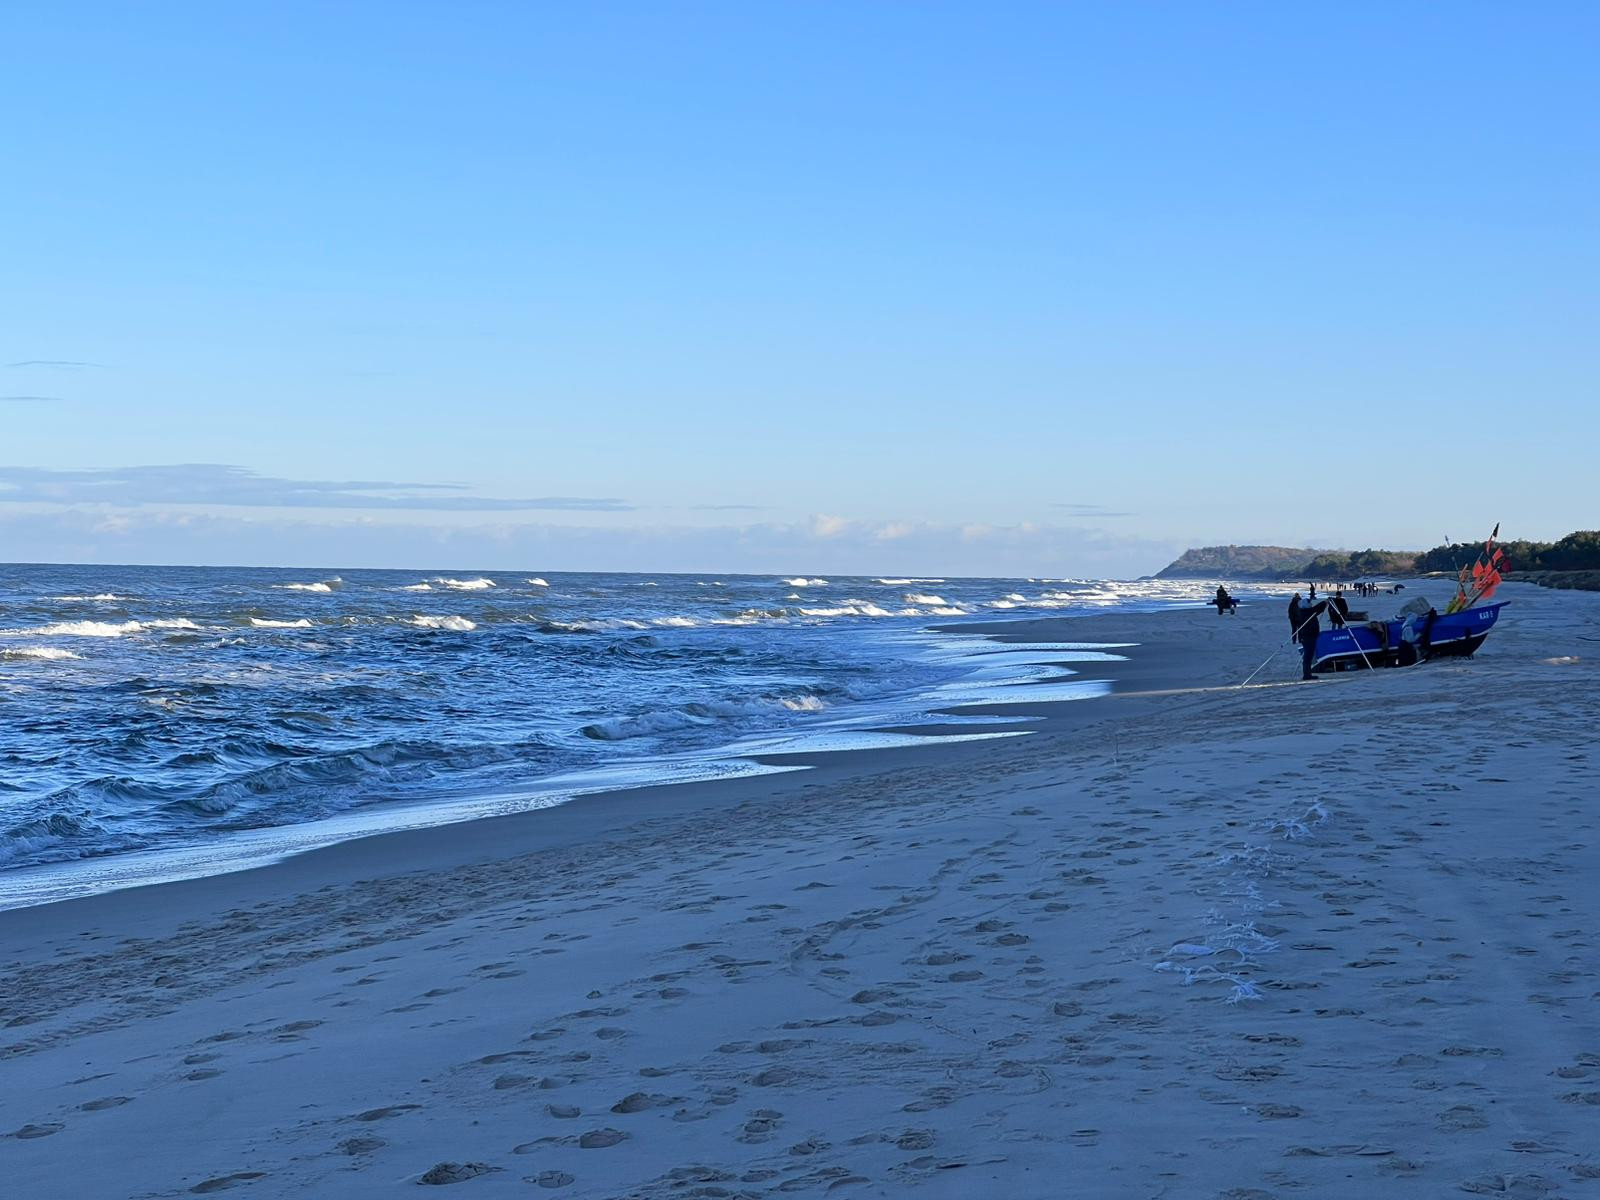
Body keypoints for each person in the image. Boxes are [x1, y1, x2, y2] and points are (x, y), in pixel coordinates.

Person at [1288, 592, 1329, 681]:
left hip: (1310, 636)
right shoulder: (1305, 612)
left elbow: (1317, 610)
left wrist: (1325, 604)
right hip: (1307, 637)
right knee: (1308, 655)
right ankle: (1307, 675)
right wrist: (1324, 602)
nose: (1311, 604)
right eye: (1309, 603)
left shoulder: (1307, 612)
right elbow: (1316, 609)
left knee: (1309, 655)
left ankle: (1308, 674)